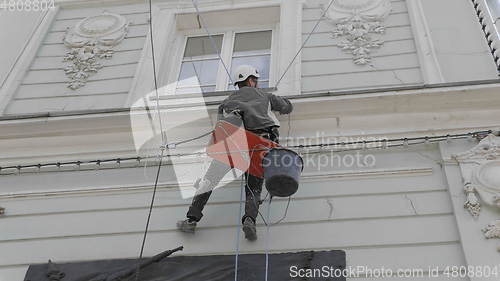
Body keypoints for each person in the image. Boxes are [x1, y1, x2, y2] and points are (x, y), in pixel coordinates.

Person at [177, 65, 293, 241]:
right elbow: (286, 107)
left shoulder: (227, 101)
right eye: (255, 79)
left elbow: (221, 127)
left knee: (209, 180)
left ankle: (191, 219)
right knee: (253, 186)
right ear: (251, 80)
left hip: (232, 144)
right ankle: (249, 221)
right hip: (259, 143)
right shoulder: (266, 96)